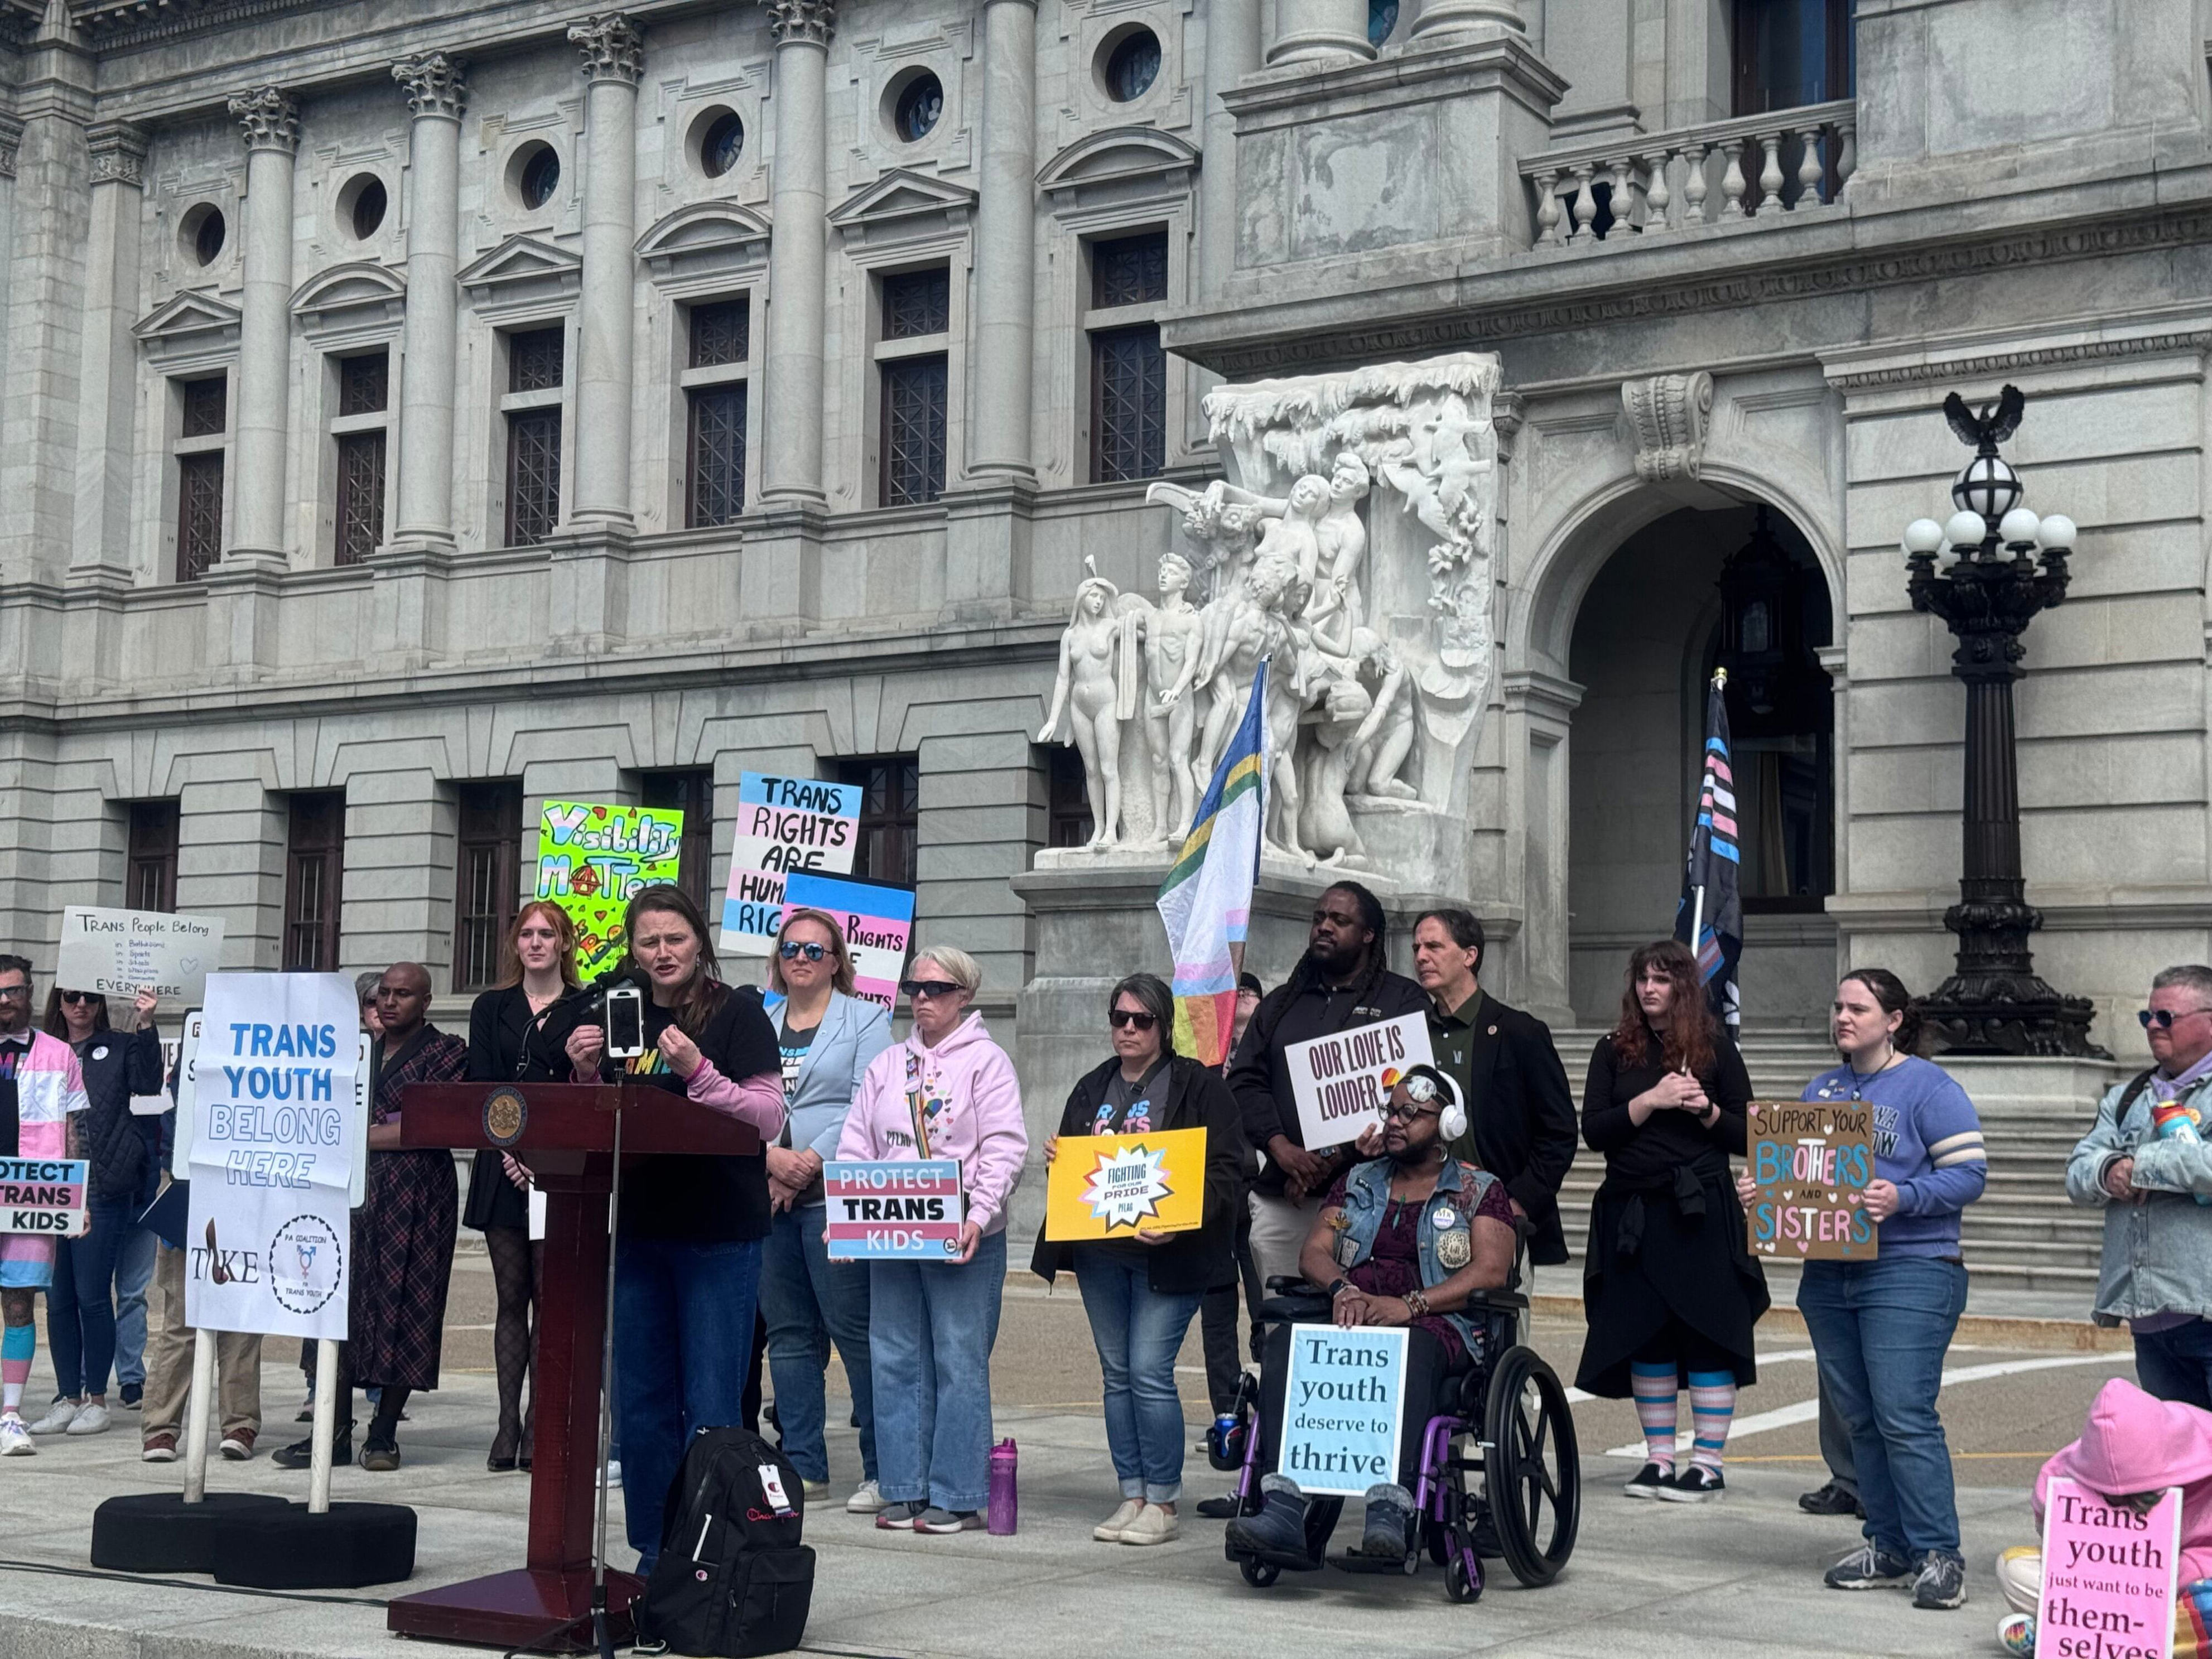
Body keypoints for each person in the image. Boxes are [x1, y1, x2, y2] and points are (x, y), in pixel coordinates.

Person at [565, 885, 784, 1574]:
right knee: (643, 1408)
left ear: (699, 941)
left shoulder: (739, 1014)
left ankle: (709, 1555)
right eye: (648, 941)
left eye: (674, 939)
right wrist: (582, 1072)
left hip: (717, 1234)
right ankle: (654, 1554)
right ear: (631, 949)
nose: (661, 953)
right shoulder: (615, 1013)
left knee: (712, 1405)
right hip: (638, 1232)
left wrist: (697, 1071)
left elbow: (766, 1120)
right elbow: (593, 1125)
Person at [1754, 970, 1985, 1610]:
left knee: (1903, 1415)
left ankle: (1938, 1552)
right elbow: (1802, 1176)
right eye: (1837, 1007)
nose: (1842, 1017)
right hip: (1829, 1271)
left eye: (1857, 1008)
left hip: (1910, 1266)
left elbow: (1969, 1173)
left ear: (1894, 1019)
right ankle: (1887, 1542)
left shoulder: (1928, 1088)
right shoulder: (1820, 1088)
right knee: (1858, 1416)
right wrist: (1764, 1193)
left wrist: (1904, 1195)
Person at [1225, 1067, 1517, 1563]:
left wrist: (1411, 1305)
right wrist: (1342, 1288)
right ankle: (1281, 1505)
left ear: (1447, 1122)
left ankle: (1390, 1508)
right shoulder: (1358, 1184)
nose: (1395, 1122)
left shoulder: (1476, 1191)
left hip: (1437, 1324)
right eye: (1390, 1111)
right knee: (1285, 1345)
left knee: (1410, 1348)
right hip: (1355, 1313)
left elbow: (1491, 1271)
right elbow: (1316, 1249)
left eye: (1410, 1113)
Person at [1034, 972, 1245, 1547]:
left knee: (1150, 1372)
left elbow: (1230, 1167)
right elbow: (1074, 1164)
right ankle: (1131, 1490)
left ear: (1163, 1026)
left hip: (1168, 1257)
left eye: (1140, 1019)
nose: (1127, 1029)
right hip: (1100, 1252)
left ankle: (1163, 1498)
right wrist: (1061, 1156)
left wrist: (1180, 1215)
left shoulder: (1197, 1086)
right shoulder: (1091, 1085)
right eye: (1118, 1018)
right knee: (1116, 1374)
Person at [837, 944, 1027, 1534]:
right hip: (893, 1227)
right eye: (913, 988)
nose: (921, 998)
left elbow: (1003, 1145)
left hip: (962, 1230)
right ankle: (904, 1484)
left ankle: (957, 1491)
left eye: (936, 989)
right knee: (893, 1357)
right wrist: (848, 1213)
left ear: (963, 996)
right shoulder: (887, 1064)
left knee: (957, 1360)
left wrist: (981, 1210)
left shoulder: (986, 1062)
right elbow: (855, 1141)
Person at [1574, 939, 1765, 1504]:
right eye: (1641, 979)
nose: (1648, 988)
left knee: (1707, 1334)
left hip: (1698, 1210)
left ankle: (1706, 1463)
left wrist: (1705, 1109)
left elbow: (1752, 1135)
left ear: (1683, 988)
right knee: (1646, 1336)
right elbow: (1594, 1131)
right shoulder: (1612, 1051)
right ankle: (1658, 1458)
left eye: (1661, 979)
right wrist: (1652, 1099)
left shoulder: (1715, 1051)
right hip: (1632, 1210)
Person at [276, 962, 467, 1473]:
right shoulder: (351, 1050)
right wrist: (372, 1126)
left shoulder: (448, 1052)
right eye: (384, 993)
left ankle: (384, 1432)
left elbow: (426, 1127)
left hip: (418, 1193)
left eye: (403, 994)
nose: (390, 1002)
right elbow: (322, 1115)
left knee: (409, 1303)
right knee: (337, 1303)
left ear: (425, 1001)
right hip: (348, 1193)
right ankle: (332, 1433)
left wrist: (359, 1131)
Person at [758, 908, 893, 1512]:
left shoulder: (866, 1018)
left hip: (834, 1194)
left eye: (815, 951)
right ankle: (803, 1466)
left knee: (854, 1332)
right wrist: (770, 1160)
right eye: (792, 949)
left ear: (836, 960)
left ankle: (882, 1465)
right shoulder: (757, 1018)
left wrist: (807, 1159)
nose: (802, 959)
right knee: (787, 1336)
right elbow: (736, 1096)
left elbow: (869, 1096)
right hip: (766, 1195)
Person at [1226, 882, 1427, 1290]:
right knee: (1282, 1329)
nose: (1324, 927)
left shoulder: (1403, 1001)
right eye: (1318, 918)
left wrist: (1327, 1161)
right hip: (1284, 1198)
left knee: (1359, 1324)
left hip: (1373, 1198)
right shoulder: (1281, 1003)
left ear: (1369, 934)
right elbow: (1245, 1082)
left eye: (1339, 920)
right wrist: (1281, 1149)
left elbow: (1415, 1093)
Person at [465, 900, 580, 1472]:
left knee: (549, 1295)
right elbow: (481, 1082)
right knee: (512, 1296)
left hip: (557, 1166)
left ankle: (540, 1421)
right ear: (515, 943)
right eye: (527, 933)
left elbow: (585, 1086)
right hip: (500, 1162)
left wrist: (541, 1156)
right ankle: (507, 1420)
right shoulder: (492, 1006)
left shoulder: (584, 1005)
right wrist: (510, 1151)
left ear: (564, 943)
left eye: (547, 934)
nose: (536, 943)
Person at [2068, 964, 2212, 1406]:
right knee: (2178, 1462)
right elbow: (2078, 1171)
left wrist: (2141, 1166)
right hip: (2149, 1319)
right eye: (2146, 1017)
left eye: (2165, 1017)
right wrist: (2109, 1169)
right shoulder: (2127, 1096)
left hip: (2204, 1309)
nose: (2152, 1026)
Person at [1993, 1377, 2212, 1656]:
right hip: (2112, 1592)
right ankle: (2107, 1639)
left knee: (2207, 1606)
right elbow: (2054, 1536)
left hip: (2190, 1584)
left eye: (2141, 1498)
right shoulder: (2073, 1465)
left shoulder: (2202, 1441)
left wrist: (2179, 1572)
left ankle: (2067, 1639)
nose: (2127, 1509)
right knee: (2013, 1568)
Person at [1412, 908, 1578, 1274]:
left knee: (1502, 1330)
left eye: (1434, 946)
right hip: (1417, 1215)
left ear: (1470, 955)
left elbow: (1559, 1132)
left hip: (1494, 1215)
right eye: (1417, 948)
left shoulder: (1519, 1033)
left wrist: (1516, 1202)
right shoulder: (1408, 1035)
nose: (1421, 957)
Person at [28, 985, 161, 1440]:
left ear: (102, 1004)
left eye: (89, 997)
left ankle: (97, 1399)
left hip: (102, 1188)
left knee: (92, 1295)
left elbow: (148, 1084)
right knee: (58, 1298)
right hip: (47, 1186)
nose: (80, 1005)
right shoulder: (41, 1050)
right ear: (57, 1003)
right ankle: (68, 1396)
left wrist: (145, 1024)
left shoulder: (119, 1046)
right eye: (70, 997)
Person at [141, 1045, 262, 1463]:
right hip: (192, 1184)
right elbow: (173, 1130)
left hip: (252, 1189)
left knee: (243, 1317)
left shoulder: (268, 1066)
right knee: (181, 1318)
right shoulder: (198, 1059)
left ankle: (240, 1423)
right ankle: (161, 1427)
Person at [0, 956, 89, 1455]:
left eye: (14, 991)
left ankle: (10, 1414)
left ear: (31, 993)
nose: (5, 1001)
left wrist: (78, 1201)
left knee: (19, 1303)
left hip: (31, 1194)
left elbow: (76, 1129)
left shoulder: (58, 1054)